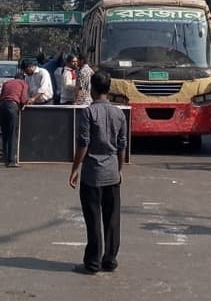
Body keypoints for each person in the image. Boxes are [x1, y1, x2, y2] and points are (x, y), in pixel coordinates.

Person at [69, 71, 127, 275]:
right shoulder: (119, 113)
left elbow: (83, 144)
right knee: (112, 219)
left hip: (92, 175)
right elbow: (122, 145)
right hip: (112, 172)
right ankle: (110, 259)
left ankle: (93, 262)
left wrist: (75, 168)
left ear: (92, 89)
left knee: (93, 219)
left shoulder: (88, 112)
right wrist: (119, 169)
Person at [0, 72, 28, 167]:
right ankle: (12, 160)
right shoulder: (23, 83)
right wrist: (23, 105)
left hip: (2, 105)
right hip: (12, 106)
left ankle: (6, 159)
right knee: (12, 133)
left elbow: (1, 96)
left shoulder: (7, 83)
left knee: (5, 133)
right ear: (23, 78)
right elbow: (23, 98)